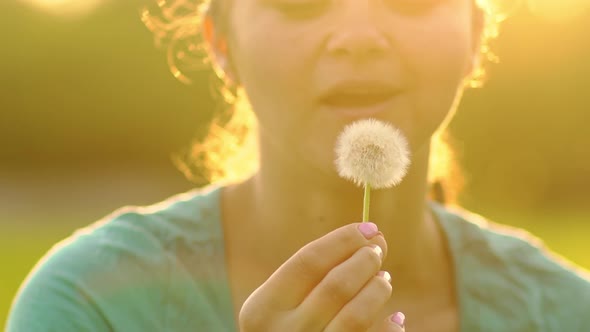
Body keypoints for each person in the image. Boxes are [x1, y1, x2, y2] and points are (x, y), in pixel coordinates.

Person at [7, 0, 590, 331]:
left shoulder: (569, 314)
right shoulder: (90, 305)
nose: (359, 36)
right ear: (221, 43)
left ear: (474, 35)